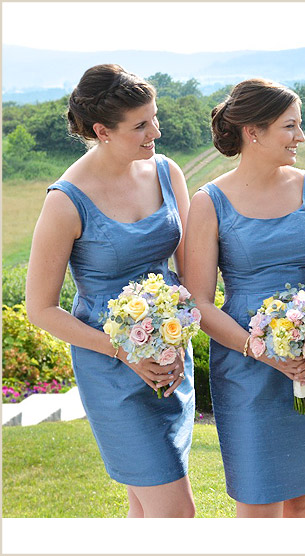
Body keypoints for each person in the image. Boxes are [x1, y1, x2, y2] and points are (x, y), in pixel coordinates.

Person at [25, 64, 195, 517]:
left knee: (145, 507)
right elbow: (40, 308)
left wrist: (179, 335)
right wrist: (125, 353)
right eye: (140, 125)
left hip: (171, 357)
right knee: (176, 514)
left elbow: (191, 270)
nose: (154, 132)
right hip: (112, 367)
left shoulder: (166, 172)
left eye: (154, 118)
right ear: (102, 130)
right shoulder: (65, 201)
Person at [183, 78, 305, 518]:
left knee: (304, 502)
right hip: (245, 364)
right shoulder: (209, 202)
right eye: (290, 127)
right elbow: (200, 302)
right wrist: (263, 351)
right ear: (253, 132)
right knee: (258, 501)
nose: (301, 137)